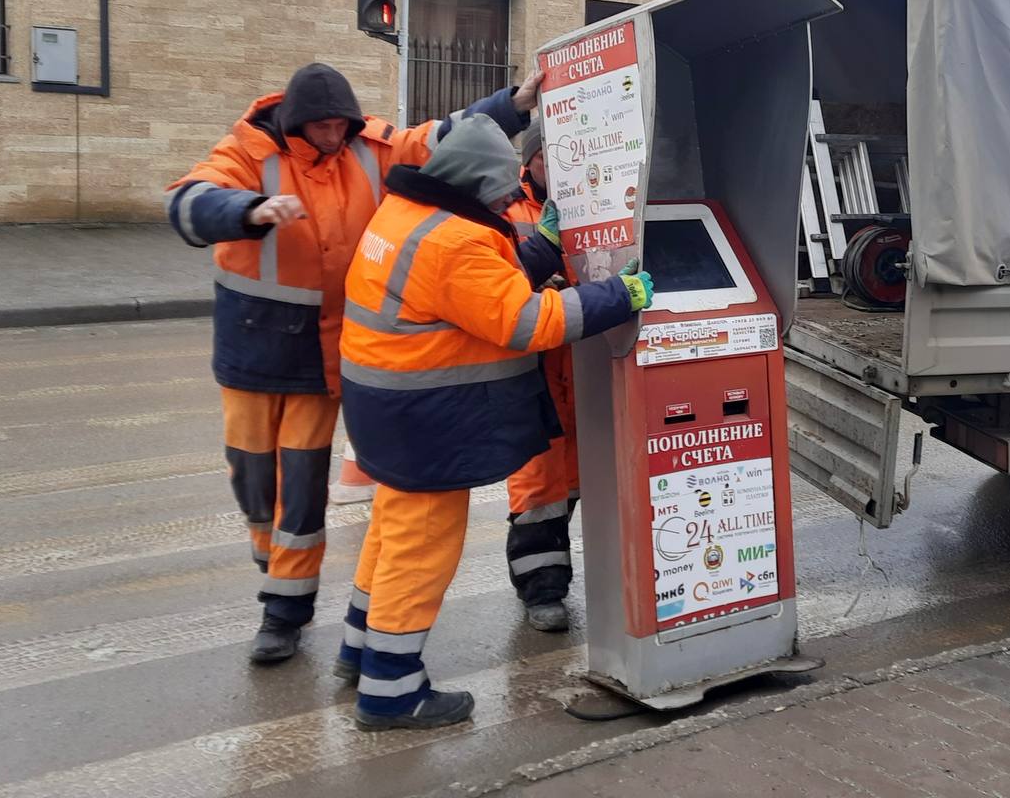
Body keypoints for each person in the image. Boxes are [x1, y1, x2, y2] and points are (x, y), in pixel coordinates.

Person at [164, 62, 539, 663]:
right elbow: (188, 202)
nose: (335, 137)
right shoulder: (247, 151)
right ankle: (274, 567)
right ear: (296, 124)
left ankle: (283, 611)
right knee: (256, 481)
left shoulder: (369, 147)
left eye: (343, 125)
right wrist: (249, 211)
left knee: (301, 482)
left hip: (333, 354)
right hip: (258, 349)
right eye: (323, 128)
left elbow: (441, 137)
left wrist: (513, 104)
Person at [333, 114, 653, 730]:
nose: (510, 203)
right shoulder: (454, 242)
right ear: (476, 184)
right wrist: (621, 294)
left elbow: (479, 290)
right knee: (422, 549)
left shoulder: (405, 215)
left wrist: (544, 247)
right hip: (426, 420)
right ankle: (391, 692)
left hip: (386, 409)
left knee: (390, 534)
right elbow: (525, 321)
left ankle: (359, 648)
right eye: (503, 192)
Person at [500, 118, 580, 632]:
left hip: (586, 363)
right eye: (549, 157)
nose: (560, 168)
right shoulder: (507, 211)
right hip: (536, 370)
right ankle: (541, 588)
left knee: (576, 480)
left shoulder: (598, 203)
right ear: (529, 161)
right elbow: (494, 284)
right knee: (539, 485)